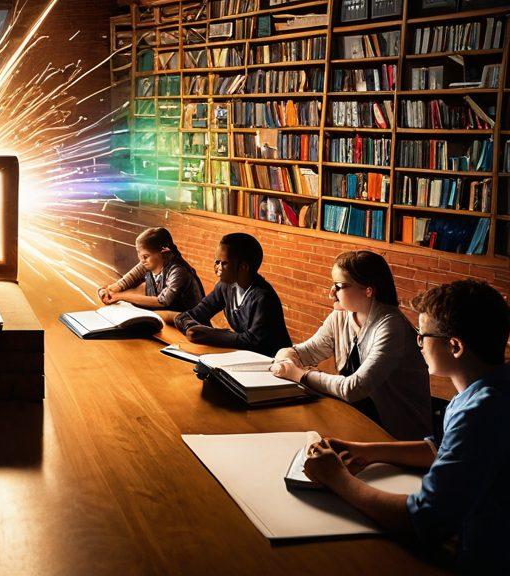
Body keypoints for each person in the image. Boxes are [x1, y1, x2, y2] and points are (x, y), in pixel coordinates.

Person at [303, 279, 509, 572]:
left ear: (455, 346)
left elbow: (423, 519)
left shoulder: (479, 413)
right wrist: (369, 450)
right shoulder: (488, 389)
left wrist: (337, 478)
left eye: (422, 336)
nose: (419, 344)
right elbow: (443, 450)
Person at [269, 251, 431, 440]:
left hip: (398, 435)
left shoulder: (390, 326)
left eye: (339, 286)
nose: (331, 292)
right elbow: (304, 352)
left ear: (368, 290)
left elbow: (353, 388)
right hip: (358, 419)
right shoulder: (341, 316)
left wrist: (300, 375)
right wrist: (286, 358)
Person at [172, 232, 291, 356]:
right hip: (244, 355)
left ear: (244, 267)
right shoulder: (225, 287)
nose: (216, 267)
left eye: (223, 263)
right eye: (216, 262)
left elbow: (253, 341)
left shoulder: (263, 298)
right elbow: (193, 314)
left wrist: (209, 334)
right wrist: (190, 327)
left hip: (273, 361)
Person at [98, 226, 204, 312]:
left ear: (163, 253)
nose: (142, 260)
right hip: (165, 318)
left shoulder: (178, 271)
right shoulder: (148, 262)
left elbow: (162, 301)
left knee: (142, 292)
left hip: (189, 323)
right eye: (140, 256)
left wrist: (120, 296)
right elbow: (124, 282)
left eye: (145, 256)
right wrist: (107, 291)